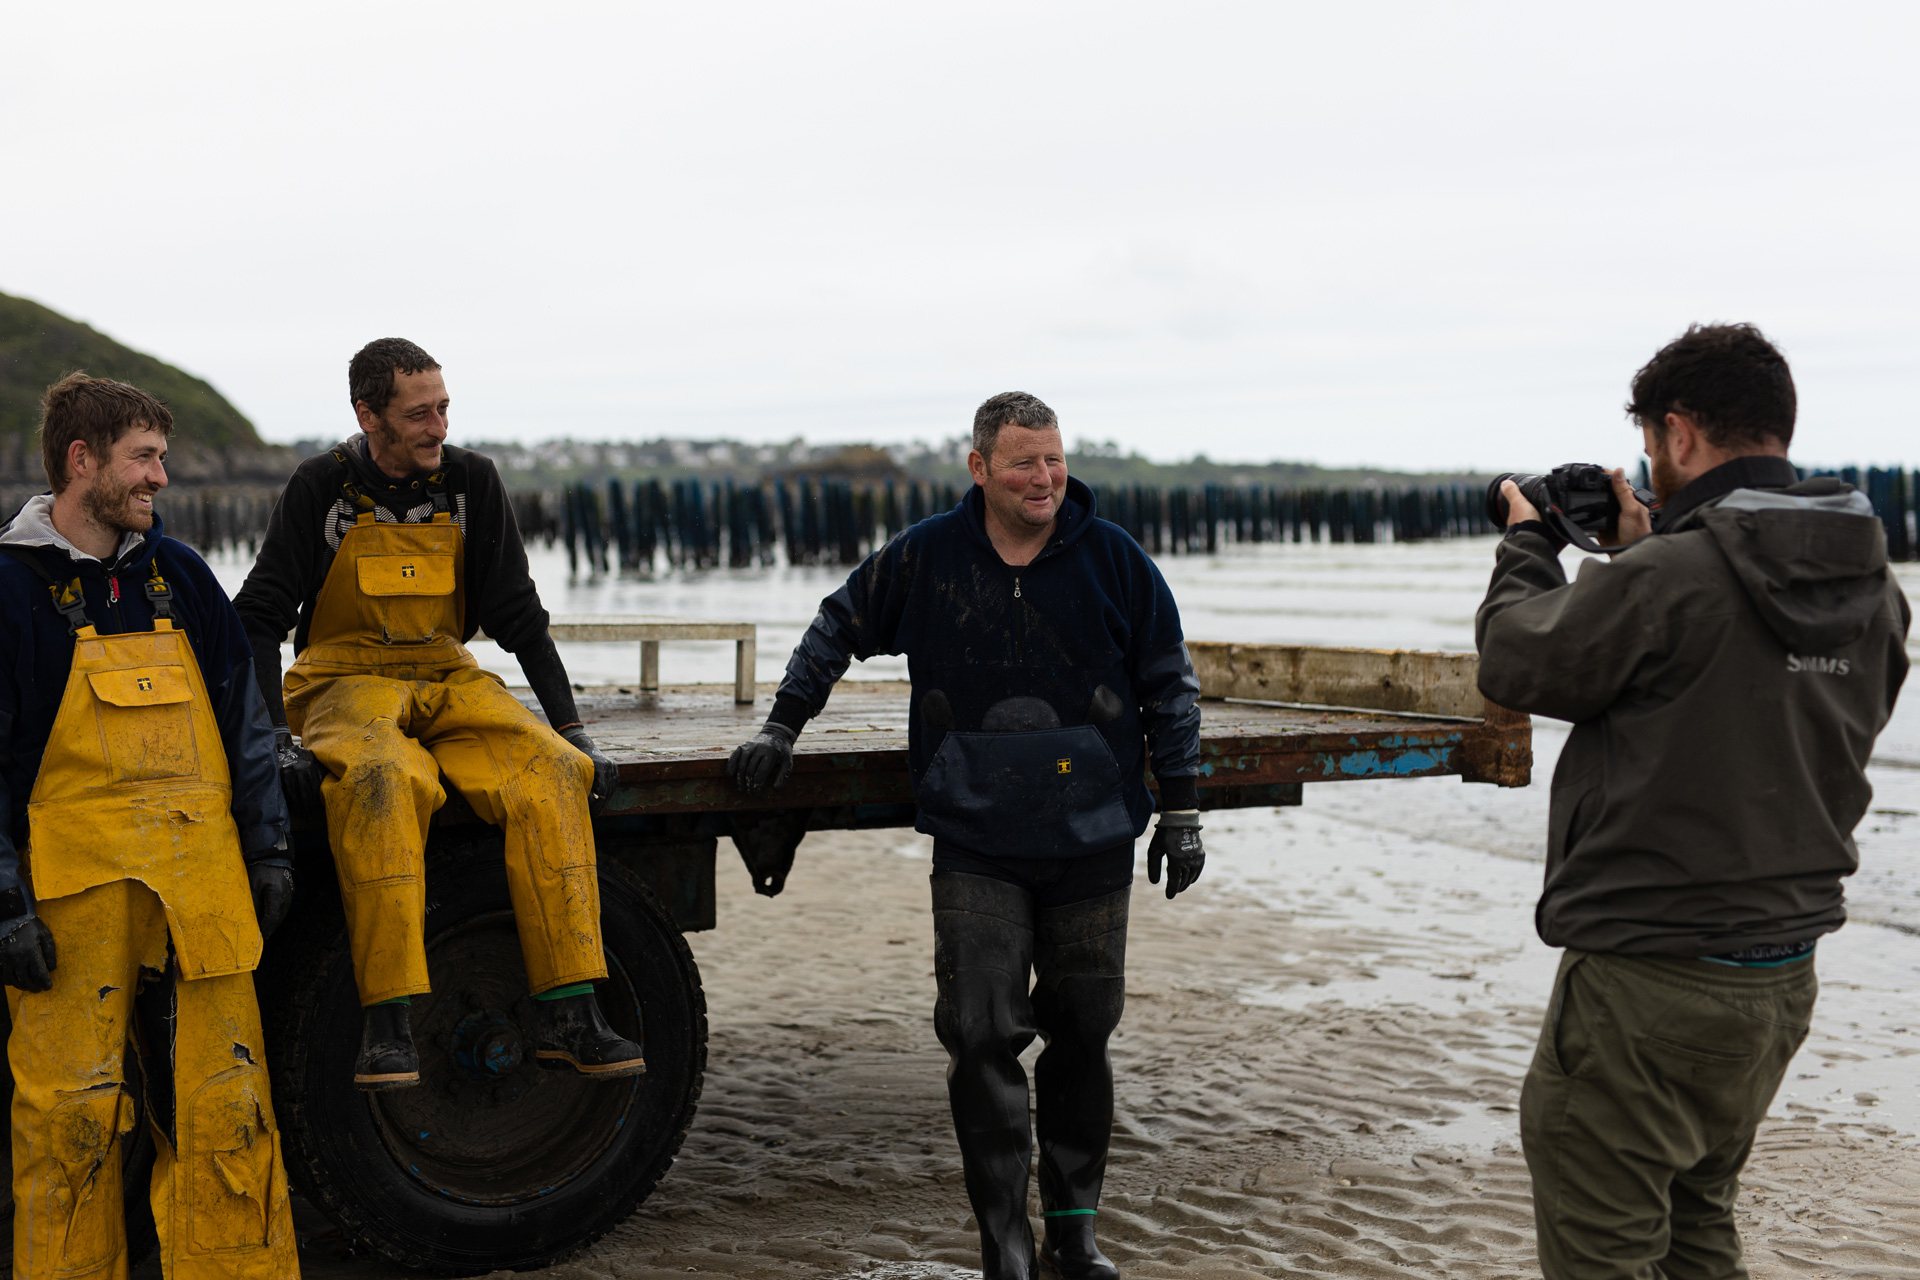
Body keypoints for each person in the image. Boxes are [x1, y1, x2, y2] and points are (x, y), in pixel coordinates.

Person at [728, 391, 1205, 1280]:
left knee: (1083, 1028)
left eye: (1056, 459)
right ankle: (1007, 1248)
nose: (1045, 478)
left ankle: (1074, 1231)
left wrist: (1180, 811)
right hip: (976, 835)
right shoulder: (928, 557)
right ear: (980, 467)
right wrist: (782, 727)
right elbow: (836, 624)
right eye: (1025, 461)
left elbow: (1171, 685)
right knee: (982, 1032)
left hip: (1093, 834)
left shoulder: (1115, 560)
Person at [1477, 324, 1910, 1279]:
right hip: (1780, 973)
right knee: (1697, 1222)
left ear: (1677, 433)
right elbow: (1755, 692)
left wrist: (1528, 545)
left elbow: (1518, 658)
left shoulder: (1670, 579)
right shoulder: (1875, 586)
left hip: (1650, 973)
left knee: (1608, 1247)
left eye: (1647, 443)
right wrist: (1657, 550)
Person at [233, 338, 641, 1090]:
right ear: (368, 415)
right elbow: (257, 617)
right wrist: (274, 744)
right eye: (418, 413)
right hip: (342, 681)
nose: (438, 426)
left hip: (446, 671)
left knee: (553, 772)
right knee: (385, 781)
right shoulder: (319, 485)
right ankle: (387, 1024)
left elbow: (517, 613)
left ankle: (570, 1010)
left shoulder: (472, 482)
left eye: (444, 407)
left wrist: (572, 727)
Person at [0, 373, 300, 1277]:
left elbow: (246, 723)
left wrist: (271, 845)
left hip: (200, 903)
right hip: (71, 911)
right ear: (81, 461)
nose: (160, 479)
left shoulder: (183, 578)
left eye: (163, 459)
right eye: (143, 457)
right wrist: (5, 904)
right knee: (69, 1124)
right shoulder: (10, 593)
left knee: (226, 1112)